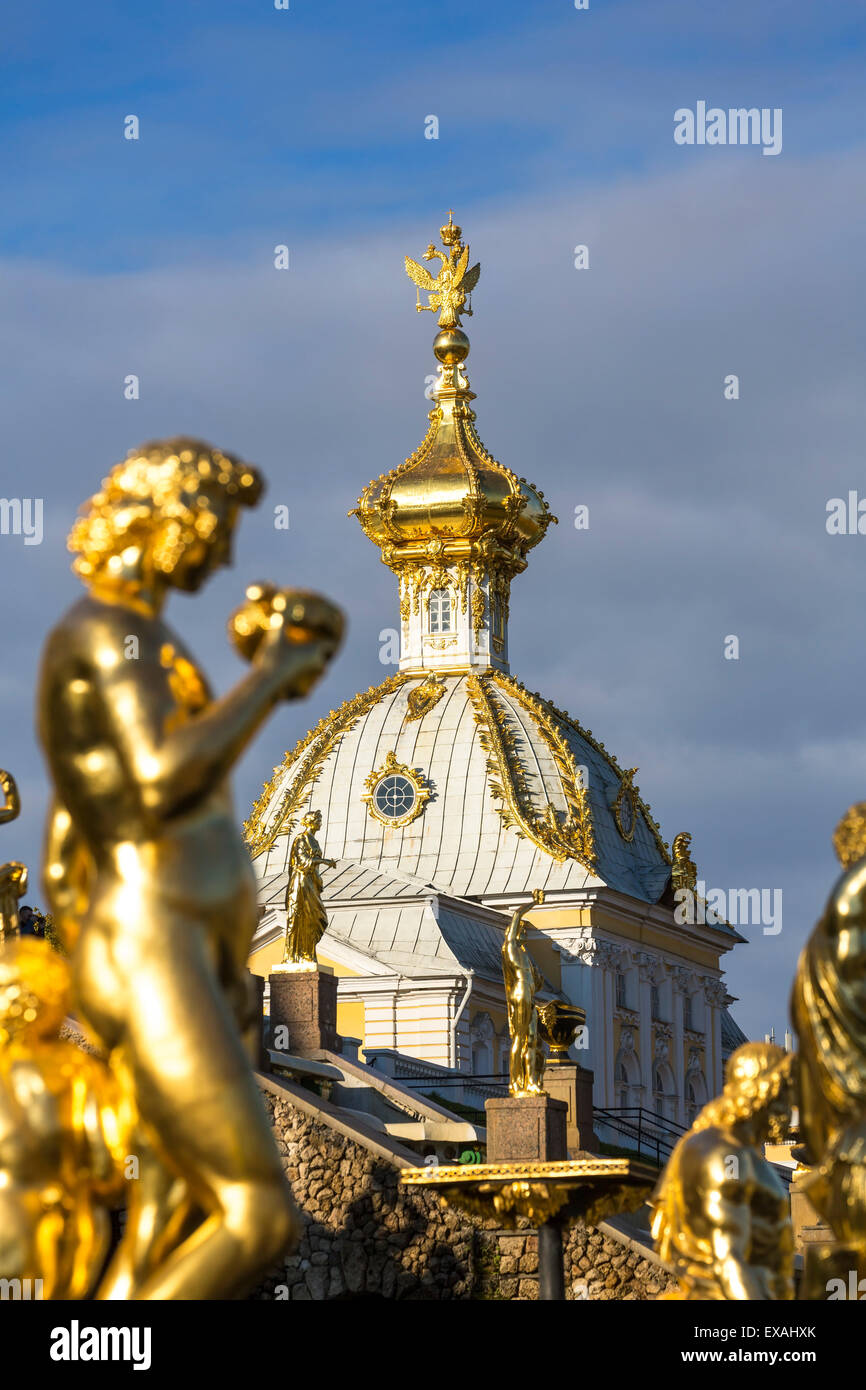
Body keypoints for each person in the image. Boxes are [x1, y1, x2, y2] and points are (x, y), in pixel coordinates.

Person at [37, 437, 343, 1300]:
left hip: (177, 949)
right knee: (257, 1215)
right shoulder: (104, 634)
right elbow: (158, 781)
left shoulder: (141, 640)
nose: (226, 552)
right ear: (166, 514)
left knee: (170, 1223)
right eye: (215, 524)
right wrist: (272, 677)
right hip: (151, 945)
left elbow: (72, 828)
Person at [651, 1043, 795, 1300]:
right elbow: (730, 1258)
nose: (790, 1108)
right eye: (786, 1094)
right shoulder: (726, 1155)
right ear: (765, 1091)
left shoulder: (736, 1151)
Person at [280, 810, 336, 969]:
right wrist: (324, 861)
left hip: (312, 883)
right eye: (317, 820)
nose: (320, 823)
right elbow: (302, 861)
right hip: (300, 883)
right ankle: (293, 956)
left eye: (320, 819)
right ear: (310, 822)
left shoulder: (315, 841)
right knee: (298, 918)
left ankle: (308, 953)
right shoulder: (301, 839)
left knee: (315, 917)